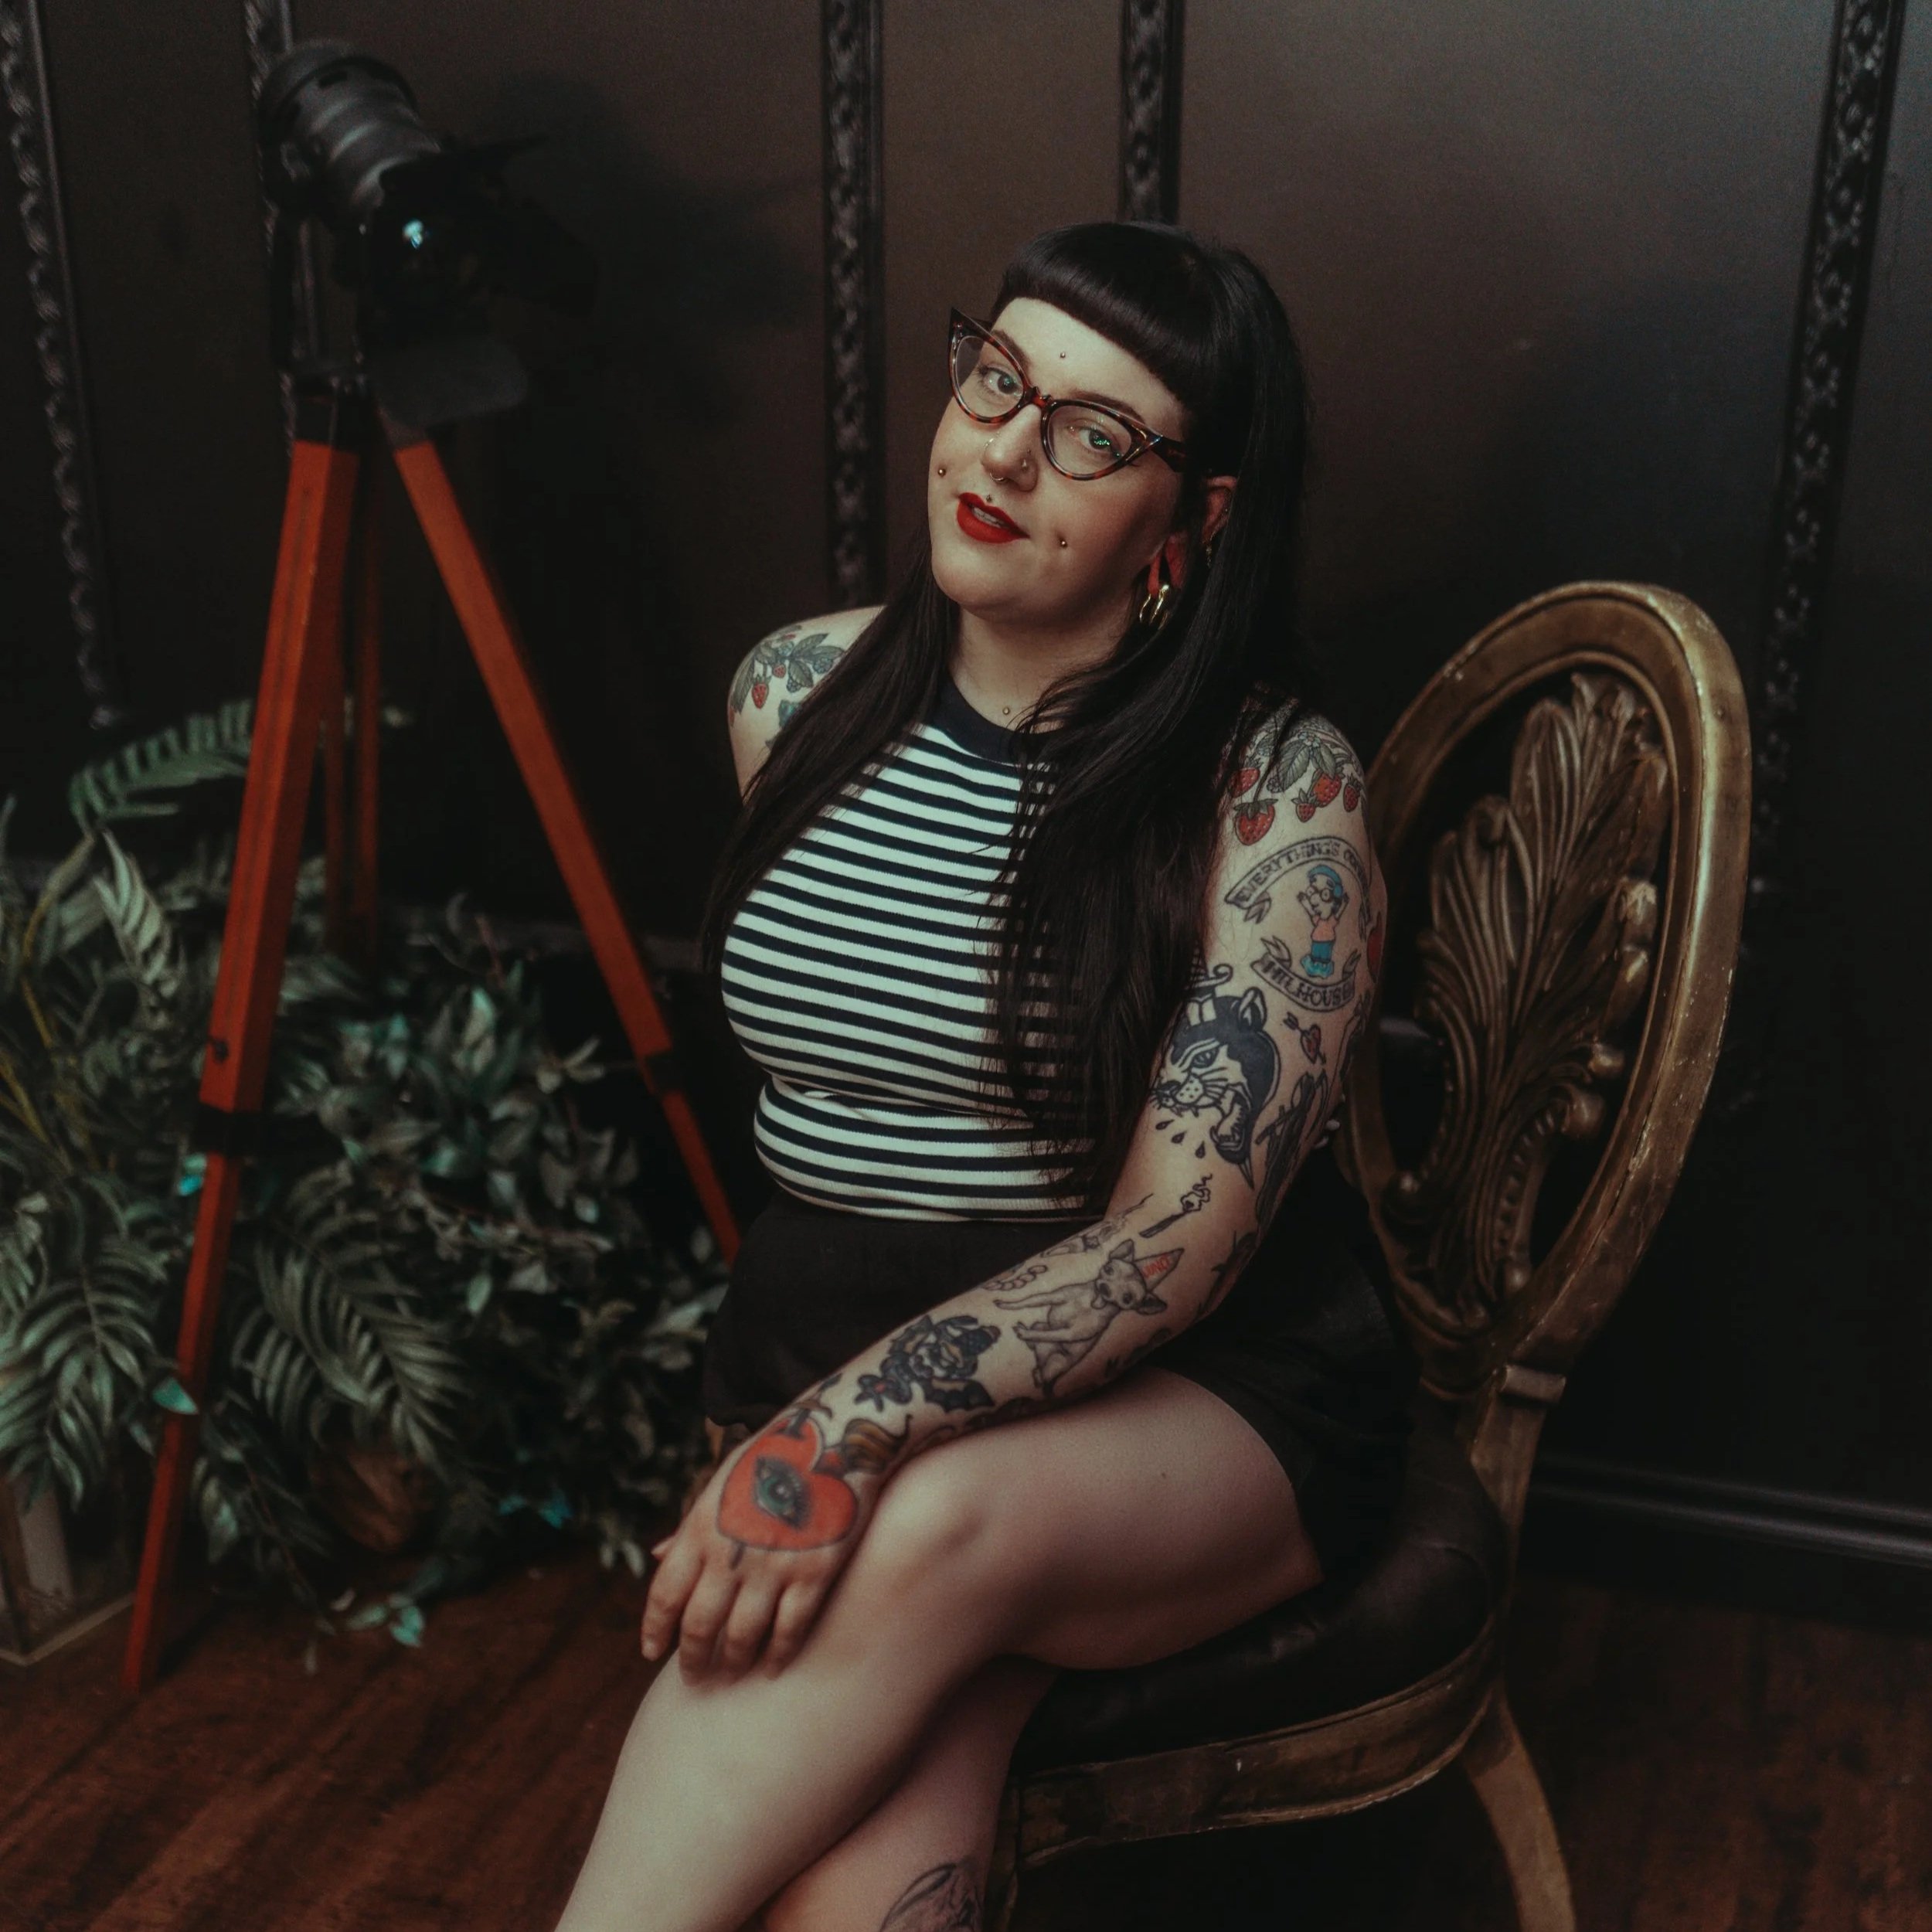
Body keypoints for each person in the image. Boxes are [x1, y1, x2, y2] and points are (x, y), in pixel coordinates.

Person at [553, 221, 1417, 1932]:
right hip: (843, 1356)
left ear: (1199, 516)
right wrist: (818, 1404)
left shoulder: (1271, 797)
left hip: (1192, 1394)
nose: (1003, 448)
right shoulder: (790, 699)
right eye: (996, 377)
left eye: (1091, 433)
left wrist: (842, 1425)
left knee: (934, 1524)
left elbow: (1178, 1244)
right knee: (851, 1894)